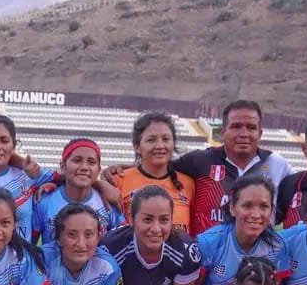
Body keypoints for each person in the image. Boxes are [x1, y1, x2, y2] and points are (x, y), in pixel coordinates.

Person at [105, 101, 293, 236]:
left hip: (258, 262)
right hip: (207, 264)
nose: (244, 133)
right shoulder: (200, 161)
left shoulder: (278, 164)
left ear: (260, 133)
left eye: (251, 127)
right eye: (236, 126)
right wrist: (108, 178)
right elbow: (157, 169)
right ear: (222, 132)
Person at [102, 186, 202, 285]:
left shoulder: (185, 251)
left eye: (164, 220)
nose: (156, 229)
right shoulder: (110, 248)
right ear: (131, 219)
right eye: (147, 219)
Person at [196, 175, 290, 285]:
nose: (256, 215)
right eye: (247, 206)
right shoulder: (208, 243)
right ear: (232, 208)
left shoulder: (278, 245)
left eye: (264, 206)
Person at [32, 138, 124, 245]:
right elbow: (31, 247)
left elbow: (120, 245)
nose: (84, 167)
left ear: (98, 170)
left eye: (91, 162)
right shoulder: (45, 201)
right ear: (63, 166)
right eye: (77, 160)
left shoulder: (108, 202)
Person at [114, 112, 195, 231]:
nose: (159, 145)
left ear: (173, 143)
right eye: (151, 140)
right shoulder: (119, 180)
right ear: (137, 146)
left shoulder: (188, 183)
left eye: (166, 139)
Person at [41, 204, 122, 285]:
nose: (81, 244)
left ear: (98, 237)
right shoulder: (41, 262)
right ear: (58, 238)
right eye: (72, 234)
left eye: (88, 234)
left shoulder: (108, 268)